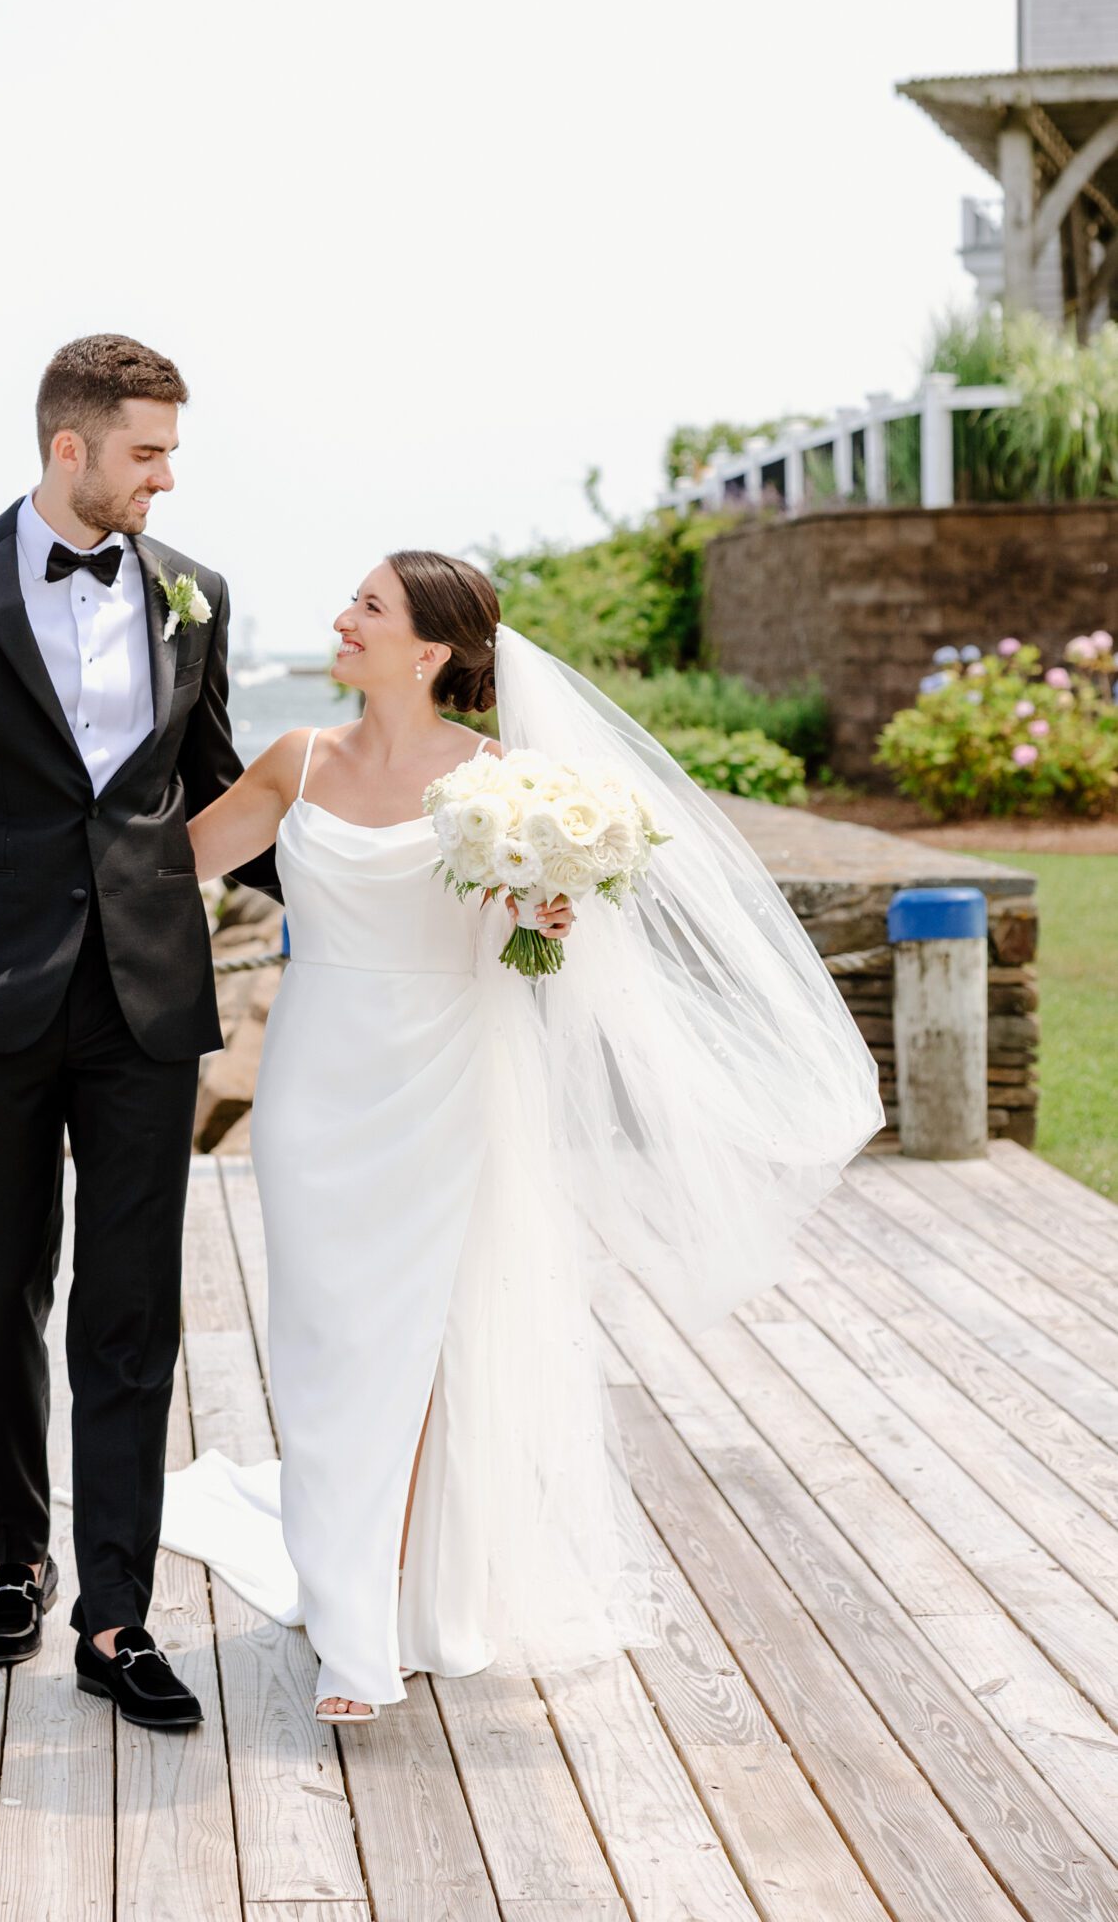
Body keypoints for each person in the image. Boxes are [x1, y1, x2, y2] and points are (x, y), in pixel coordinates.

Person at [169, 549, 886, 1721]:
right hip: (312, 1081)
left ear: (432, 650)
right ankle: (348, 1570)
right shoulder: (297, 761)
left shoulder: (504, 783)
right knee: (319, 1336)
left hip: (444, 1077)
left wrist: (542, 912)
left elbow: (523, 944)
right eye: (353, 600)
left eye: (369, 606)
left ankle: (362, 1631)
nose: (341, 618)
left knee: (407, 1339)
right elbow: (173, 865)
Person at [0, 332, 277, 1732]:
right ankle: (13, 1558)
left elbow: (219, 792)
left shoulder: (194, 594)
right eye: (145, 452)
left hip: (146, 1000)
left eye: (169, 455)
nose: (164, 477)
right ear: (67, 448)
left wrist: (384, 899)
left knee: (130, 1309)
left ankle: (114, 1615)